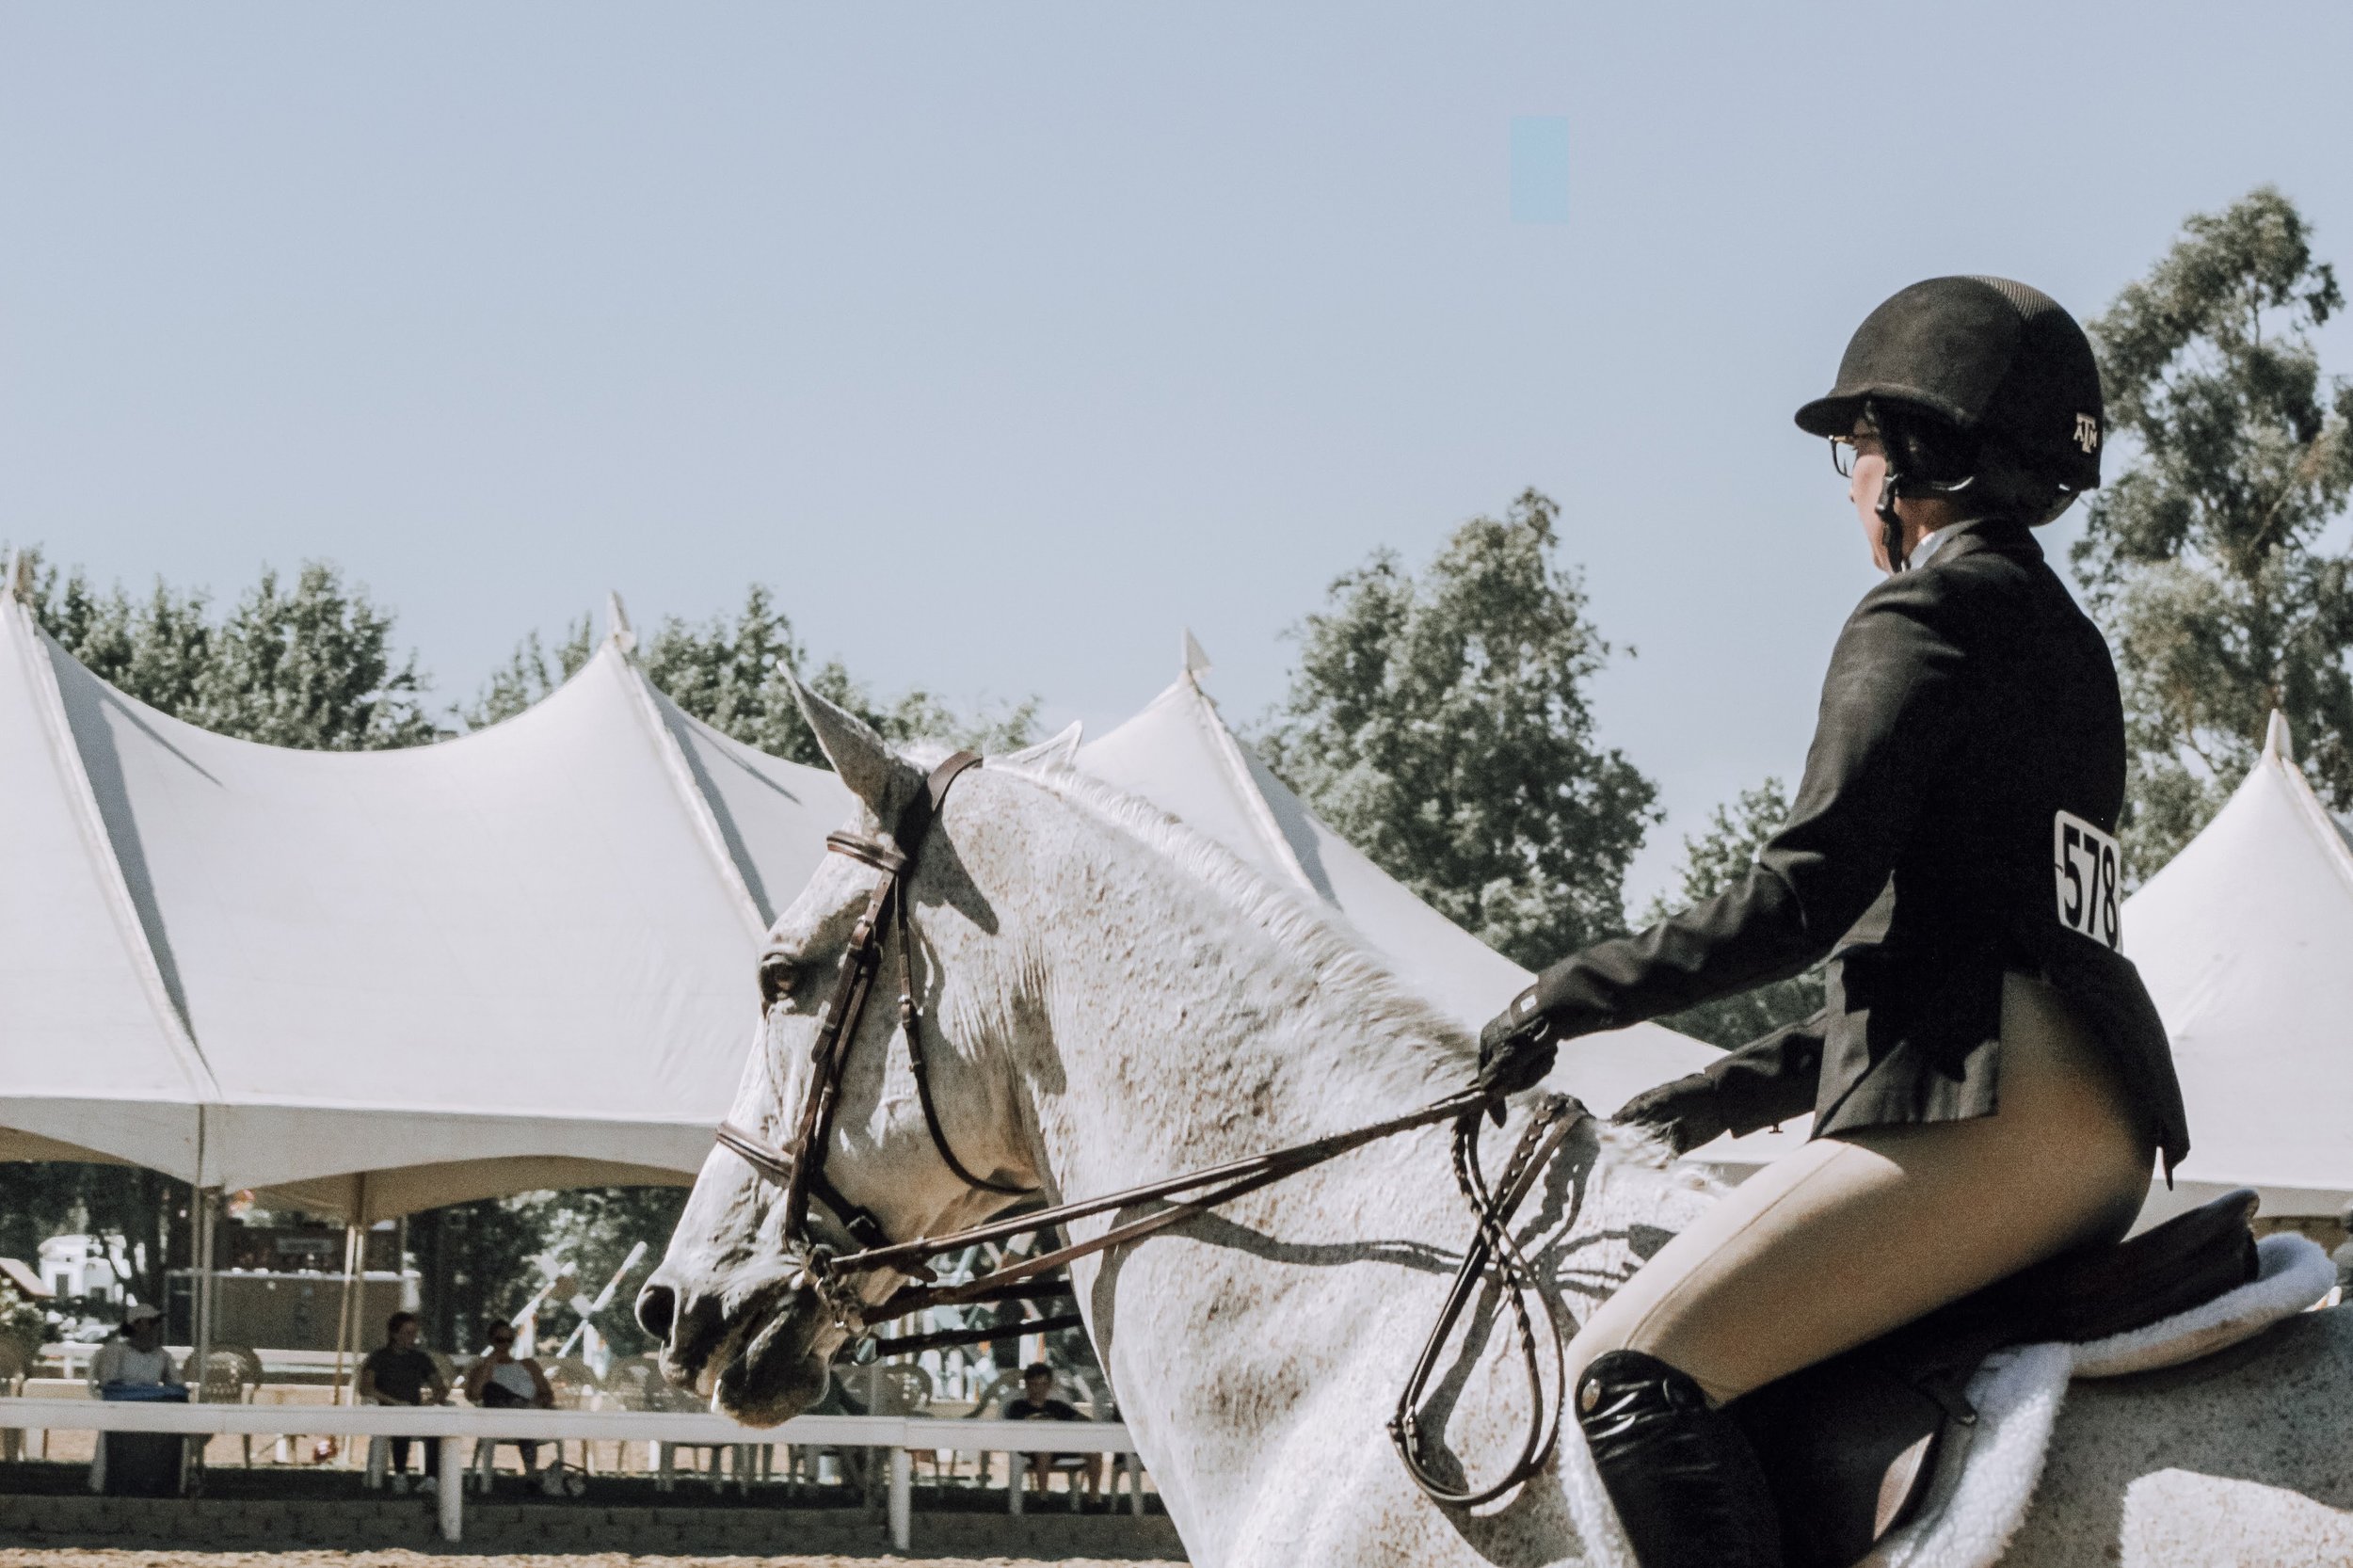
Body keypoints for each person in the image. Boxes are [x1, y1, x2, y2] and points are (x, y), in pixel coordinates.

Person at [1475, 276, 2188, 1568]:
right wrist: (1717, 1093)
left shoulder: (1921, 614)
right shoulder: (2072, 647)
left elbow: (1800, 899)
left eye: (1857, 446)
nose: (1853, 478)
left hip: (1988, 1127)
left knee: (1631, 1366)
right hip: (2099, 1132)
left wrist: (1563, 995)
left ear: (1918, 450)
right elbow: (1962, 951)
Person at [358, 1310, 449, 1492]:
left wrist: (433, 1399)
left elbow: (440, 1386)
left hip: (415, 1409)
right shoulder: (380, 1358)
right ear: (394, 1334)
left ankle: (431, 1477)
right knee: (401, 1419)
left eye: (415, 1333)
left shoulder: (420, 1358)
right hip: (386, 1410)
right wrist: (394, 1402)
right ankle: (400, 1474)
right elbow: (366, 1388)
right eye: (408, 1333)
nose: (413, 1338)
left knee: (435, 1423)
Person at [462, 1320, 553, 1480]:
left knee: (523, 1419)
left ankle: (531, 1476)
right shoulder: (483, 1368)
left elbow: (547, 1394)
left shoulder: (528, 1365)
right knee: (491, 1388)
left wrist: (538, 1403)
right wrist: (489, 1364)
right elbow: (474, 1395)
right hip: (499, 1418)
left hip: (527, 1415)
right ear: (491, 1341)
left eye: (509, 1340)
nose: (504, 1345)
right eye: (500, 1340)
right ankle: (516, 1404)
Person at [1002, 1362, 1100, 1505]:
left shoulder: (1057, 1406)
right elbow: (1013, 1429)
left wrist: (1088, 1423)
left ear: (1049, 1385)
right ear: (1028, 1385)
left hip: (1062, 1446)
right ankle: (1043, 1500)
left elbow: (1079, 1418)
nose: (1038, 1389)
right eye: (1034, 1384)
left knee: (1095, 1453)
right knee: (1044, 1452)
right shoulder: (1018, 1406)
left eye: (1043, 1384)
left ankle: (1094, 1500)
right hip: (1032, 1448)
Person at [87, 1303, 182, 1394]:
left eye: (157, 1322)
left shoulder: (163, 1356)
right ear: (136, 1325)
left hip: (152, 1408)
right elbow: (107, 1388)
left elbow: (177, 1387)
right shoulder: (113, 1352)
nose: (156, 1327)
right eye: (152, 1322)